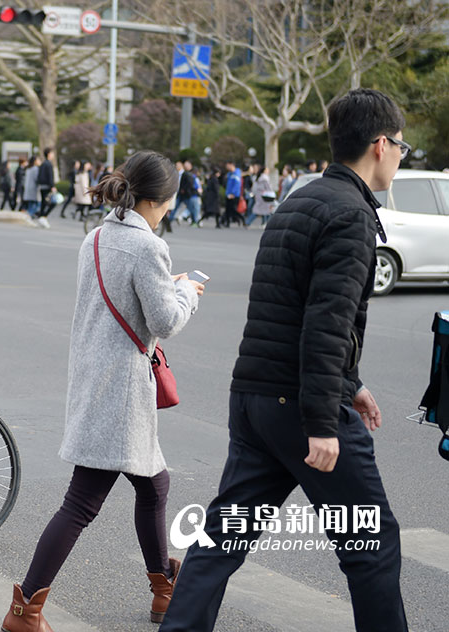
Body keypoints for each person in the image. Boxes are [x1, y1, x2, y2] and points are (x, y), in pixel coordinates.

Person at [160, 88, 410, 632]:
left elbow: (289, 309)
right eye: (401, 148)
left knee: (223, 535)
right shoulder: (351, 215)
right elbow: (326, 323)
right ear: (381, 144)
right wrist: (323, 422)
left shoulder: (300, 198)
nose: (399, 157)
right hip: (300, 405)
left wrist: (353, 381)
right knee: (373, 544)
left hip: (255, 397)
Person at [1, 151, 203, 632]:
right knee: (82, 503)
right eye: (169, 203)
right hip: (120, 392)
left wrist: (165, 286)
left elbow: (120, 297)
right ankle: (25, 609)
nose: (169, 211)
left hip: (96, 379)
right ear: (157, 200)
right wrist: (188, 294)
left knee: (154, 484)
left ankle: (163, 590)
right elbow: (165, 321)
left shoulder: (95, 238)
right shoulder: (148, 247)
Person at [35, 147, 56, 228]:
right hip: (47, 186)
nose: (53, 155)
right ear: (49, 154)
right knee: (52, 202)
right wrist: (52, 186)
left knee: (44, 203)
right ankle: (43, 217)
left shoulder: (43, 163)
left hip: (42, 186)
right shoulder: (49, 164)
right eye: (52, 153)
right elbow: (50, 176)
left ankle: (42, 217)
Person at [222, 161, 243, 227]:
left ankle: (243, 220)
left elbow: (237, 185)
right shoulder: (229, 174)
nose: (226, 167)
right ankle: (227, 223)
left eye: (228, 165)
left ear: (231, 165)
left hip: (234, 195)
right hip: (228, 194)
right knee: (228, 209)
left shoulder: (236, 173)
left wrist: (233, 193)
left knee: (233, 210)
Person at [23, 155, 41, 225]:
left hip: (28, 189)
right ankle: (28, 217)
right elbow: (37, 179)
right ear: (35, 161)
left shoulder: (28, 169)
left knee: (31, 204)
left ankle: (28, 217)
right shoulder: (35, 169)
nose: (40, 161)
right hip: (33, 189)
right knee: (37, 205)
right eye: (38, 160)